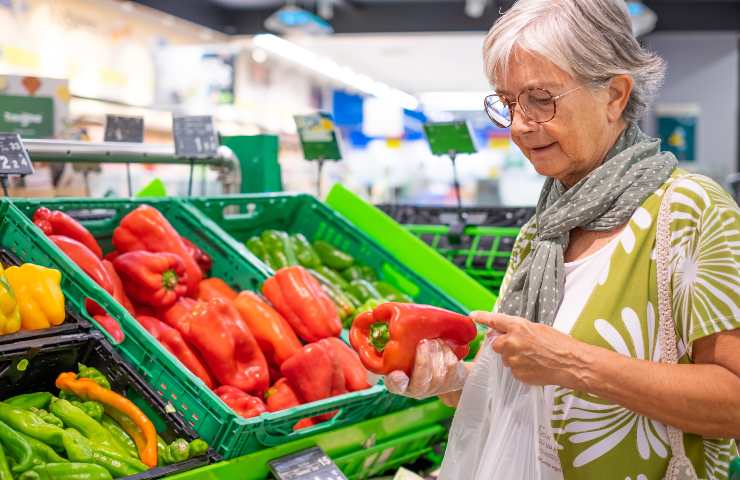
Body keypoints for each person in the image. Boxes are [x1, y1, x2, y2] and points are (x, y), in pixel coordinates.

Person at [385, 0, 740, 478]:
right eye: (508, 102)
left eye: (540, 99)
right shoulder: (543, 230)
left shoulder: (691, 213)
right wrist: (451, 381)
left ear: (614, 94)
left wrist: (574, 363)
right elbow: (529, 392)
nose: (519, 125)